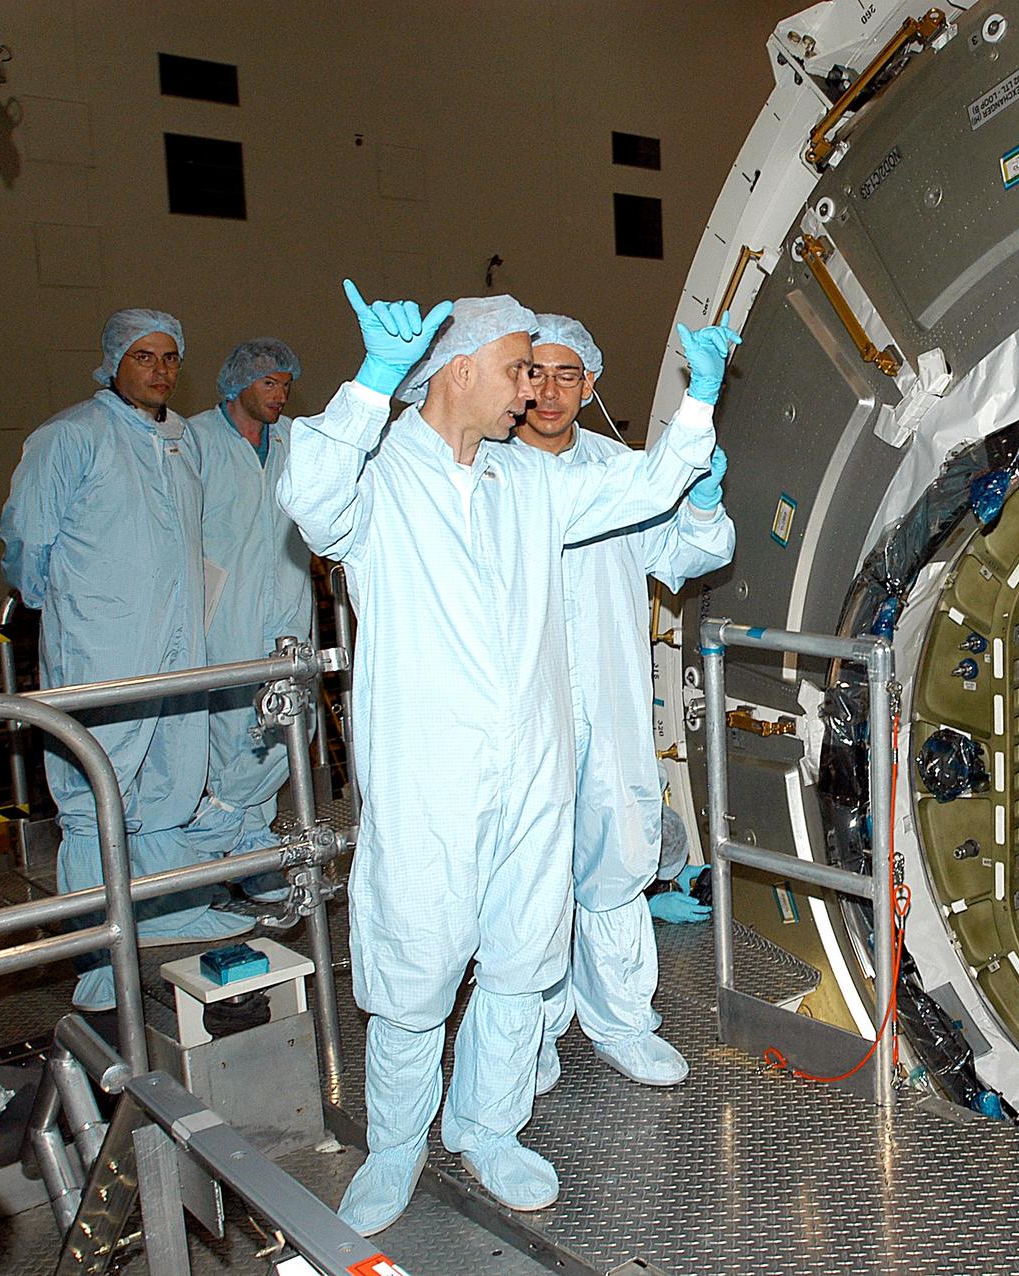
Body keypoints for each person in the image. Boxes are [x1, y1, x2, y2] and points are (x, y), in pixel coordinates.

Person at [277, 282, 736, 1235]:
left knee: (522, 961)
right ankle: (396, 1147)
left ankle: (489, 1128)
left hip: (532, 774)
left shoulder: (526, 482)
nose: (532, 390)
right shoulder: (380, 480)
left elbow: (643, 490)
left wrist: (700, 401)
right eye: (520, 368)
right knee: (414, 973)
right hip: (429, 782)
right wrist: (368, 385)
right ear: (460, 370)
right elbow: (309, 499)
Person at [0, 309, 254, 1012]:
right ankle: (98, 948)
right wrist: (72, 607)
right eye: (145, 356)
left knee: (172, 774)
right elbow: (27, 540)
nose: (161, 370)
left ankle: (170, 910)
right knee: (96, 787)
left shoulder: (179, 441)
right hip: (102, 645)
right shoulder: (71, 437)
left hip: (177, 642)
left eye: (171, 357)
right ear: (114, 360)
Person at [511, 315, 733, 1095]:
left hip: (610, 707)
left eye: (568, 374)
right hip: (522, 713)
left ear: (591, 384)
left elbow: (688, 557)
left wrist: (699, 501)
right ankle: (526, 1039)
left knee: (617, 861)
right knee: (527, 879)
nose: (550, 390)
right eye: (535, 372)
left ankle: (623, 1025)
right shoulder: (487, 471)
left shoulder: (624, 471)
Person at [188, 339, 313, 903]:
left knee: (292, 722)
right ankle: (249, 853)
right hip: (223, 607)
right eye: (269, 383)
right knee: (233, 729)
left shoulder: (294, 440)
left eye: (286, 385)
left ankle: (221, 824)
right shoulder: (194, 440)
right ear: (239, 383)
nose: (280, 395)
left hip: (286, 597)